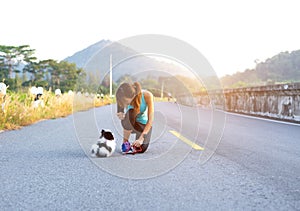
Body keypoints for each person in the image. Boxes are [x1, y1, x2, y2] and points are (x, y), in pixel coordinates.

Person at [116, 82, 154, 154]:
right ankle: (125, 143)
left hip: (143, 125)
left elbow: (150, 121)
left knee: (140, 149)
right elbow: (120, 113)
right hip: (131, 124)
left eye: (126, 102)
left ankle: (138, 140)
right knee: (131, 112)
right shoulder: (121, 97)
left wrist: (141, 138)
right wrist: (121, 115)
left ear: (133, 96)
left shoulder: (147, 95)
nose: (124, 104)